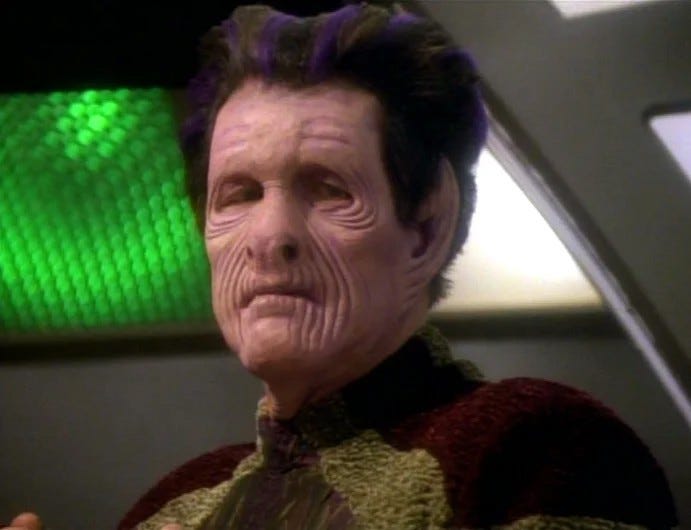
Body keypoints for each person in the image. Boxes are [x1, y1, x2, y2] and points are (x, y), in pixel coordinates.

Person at [4, 3, 678, 530]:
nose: (270, 237)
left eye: (327, 189)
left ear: (427, 228)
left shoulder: (528, 447)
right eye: (238, 194)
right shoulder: (171, 503)